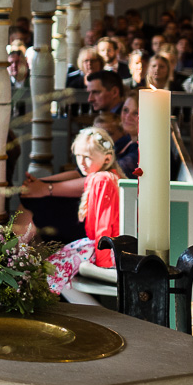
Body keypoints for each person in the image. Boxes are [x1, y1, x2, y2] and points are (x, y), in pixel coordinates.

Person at [16, 128, 120, 306]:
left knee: (52, 269)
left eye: (87, 157)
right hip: (93, 241)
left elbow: (104, 225)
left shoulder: (103, 180)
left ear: (107, 159)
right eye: (78, 156)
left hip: (102, 247)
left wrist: (102, 261)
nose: (82, 162)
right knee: (51, 267)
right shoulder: (98, 177)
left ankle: (95, 314)